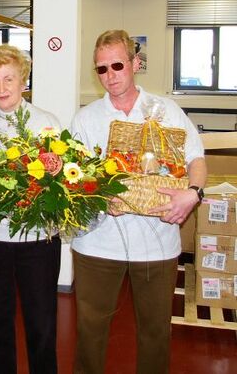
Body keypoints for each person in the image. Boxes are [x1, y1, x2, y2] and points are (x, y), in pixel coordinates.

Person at [70, 29, 206, 374]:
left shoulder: (165, 110)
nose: (110, 75)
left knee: (156, 332)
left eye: (117, 65)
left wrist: (193, 193)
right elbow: (73, 178)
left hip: (157, 242)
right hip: (97, 244)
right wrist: (98, 196)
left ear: (135, 63)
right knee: (90, 332)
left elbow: (196, 158)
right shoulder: (86, 119)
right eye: (101, 68)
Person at [0, 44, 61, 374]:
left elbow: (60, 181)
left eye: (8, 79)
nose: (1, 88)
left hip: (39, 239)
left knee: (42, 320)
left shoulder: (46, 123)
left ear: (23, 81)